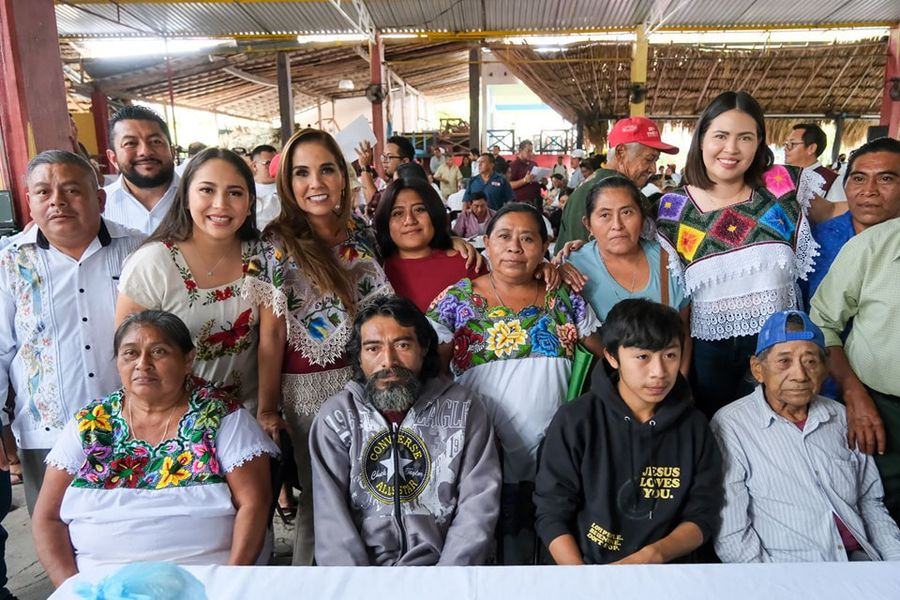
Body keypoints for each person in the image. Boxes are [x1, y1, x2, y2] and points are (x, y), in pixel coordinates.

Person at [32, 311, 278, 586]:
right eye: (130, 354)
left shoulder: (221, 417)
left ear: (188, 360)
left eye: (158, 352)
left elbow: (254, 504)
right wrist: (71, 589)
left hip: (202, 584)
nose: (142, 364)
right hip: (98, 587)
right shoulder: (90, 424)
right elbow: (47, 518)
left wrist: (229, 584)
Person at [246, 128, 394, 566]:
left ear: (343, 177)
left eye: (326, 169)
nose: (316, 183)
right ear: (287, 184)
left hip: (367, 384)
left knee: (370, 490)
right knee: (322, 499)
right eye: (302, 173)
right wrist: (269, 409)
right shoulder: (276, 244)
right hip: (308, 392)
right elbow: (271, 335)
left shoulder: (361, 234)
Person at [427, 202, 602, 564]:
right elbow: (432, 375)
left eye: (528, 239)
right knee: (491, 550)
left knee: (547, 545)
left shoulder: (561, 296)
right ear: (485, 243)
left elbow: (602, 353)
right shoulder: (456, 300)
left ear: (545, 246)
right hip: (483, 453)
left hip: (555, 453)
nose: (515, 248)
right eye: (504, 237)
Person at [654, 91, 820, 418]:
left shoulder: (780, 185)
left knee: (774, 433)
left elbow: (848, 214)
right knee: (716, 431)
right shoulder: (674, 207)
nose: (731, 149)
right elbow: (669, 297)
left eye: (745, 137)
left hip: (780, 347)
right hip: (708, 351)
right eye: (720, 136)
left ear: (759, 143)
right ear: (701, 140)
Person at [0, 150, 144, 515]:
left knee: (138, 536)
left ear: (99, 198)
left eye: (71, 190)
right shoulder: (10, 262)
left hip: (137, 428)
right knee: (60, 544)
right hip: (47, 436)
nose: (57, 201)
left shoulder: (141, 251)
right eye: (43, 192)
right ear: (29, 202)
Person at [310, 296, 501, 565]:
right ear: (359, 357)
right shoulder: (337, 417)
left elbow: (478, 507)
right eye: (373, 348)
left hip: (443, 576)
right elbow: (331, 520)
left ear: (424, 348)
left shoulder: (465, 409)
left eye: (402, 345)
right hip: (364, 580)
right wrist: (355, 588)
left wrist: (447, 585)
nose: (389, 361)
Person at [534, 299, 721, 565]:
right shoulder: (576, 420)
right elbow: (551, 512)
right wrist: (582, 581)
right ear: (612, 357)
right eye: (643, 357)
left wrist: (652, 556)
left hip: (668, 573)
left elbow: (703, 514)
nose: (659, 372)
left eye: (670, 355)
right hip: (587, 569)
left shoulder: (695, 427)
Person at [712, 310, 900, 562]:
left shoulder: (841, 417)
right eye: (784, 362)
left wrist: (893, 567)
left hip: (859, 564)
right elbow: (732, 536)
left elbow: (871, 504)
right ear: (758, 369)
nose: (800, 375)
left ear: (824, 369)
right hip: (786, 577)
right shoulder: (732, 425)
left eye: (810, 361)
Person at [114, 147, 263, 413]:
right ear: (185, 198)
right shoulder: (152, 264)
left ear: (250, 202)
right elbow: (130, 356)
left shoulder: (262, 256)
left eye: (235, 193)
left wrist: (268, 410)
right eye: (207, 190)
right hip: (177, 427)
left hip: (247, 418)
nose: (220, 204)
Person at [810, 217, 900, 523]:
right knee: (883, 512)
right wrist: (853, 392)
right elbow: (823, 322)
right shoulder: (873, 245)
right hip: (883, 409)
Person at [558, 177, 691, 375]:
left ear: (642, 217)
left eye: (627, 212)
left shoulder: (668, 261)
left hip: (664, 387)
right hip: (605, 393)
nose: (617, 225)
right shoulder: (572, 268)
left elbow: (683, 335)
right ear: (588, 224)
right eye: (604, 215)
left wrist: (678, 391)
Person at [555, 117, 679, 251]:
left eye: (655, 160)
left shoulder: (579, 191)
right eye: (649, 159)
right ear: (620, 153)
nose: (653, 169)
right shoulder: (629, 197)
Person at [804, 137, 900, 302]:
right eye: (858, 179)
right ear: (845, 185)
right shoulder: (815, 242)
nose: (869, 190)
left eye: (885, 179)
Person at [375, 178, 484, 313]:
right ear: (385, 221)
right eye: (397, 213)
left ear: (434, 213)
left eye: (419, 210)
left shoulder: (467, 263)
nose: (409, 220)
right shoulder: (375, 269)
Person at [103, 105, 179, 235]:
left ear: (172, 151)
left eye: (155, 141)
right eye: (130, 143)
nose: (145, 151)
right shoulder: (99, 207)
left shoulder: (199, 198)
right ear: (113, 158)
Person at [783, 123, 848, 221]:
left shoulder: (832, 180)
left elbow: (839, 217)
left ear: (811, 148)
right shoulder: (783, 176)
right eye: (786, 144)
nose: (786, 149)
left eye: (792, 144)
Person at [250, 144, 280, 231]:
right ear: (254, 166)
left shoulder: (286, 188)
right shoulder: (245, 189)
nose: (273, 168)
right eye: (268, 163)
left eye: (276, 163)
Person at [508, 140, 543, 208]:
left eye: (531, 151)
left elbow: (536, 180)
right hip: (521, 203)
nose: (531, 153)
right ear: (520, 151)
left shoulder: (534, 164)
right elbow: (509, 185)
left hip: (536, 201)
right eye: (528, 151)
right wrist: (524, 180)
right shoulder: (513, 165)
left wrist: (542, 180)